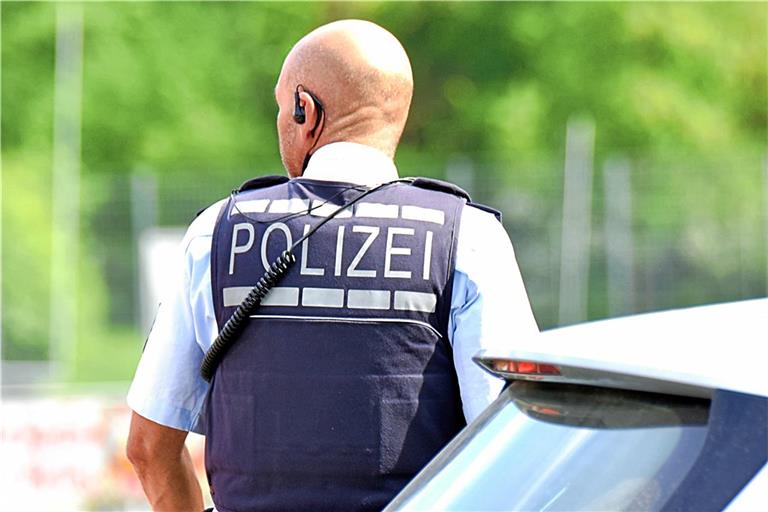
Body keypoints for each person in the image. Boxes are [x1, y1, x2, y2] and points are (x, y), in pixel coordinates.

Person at [126, 19, 538, 512]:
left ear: (306, 110)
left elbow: (149, 448)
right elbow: (513, 446)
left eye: (281, 107)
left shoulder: (215, 233)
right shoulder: (467, 237)